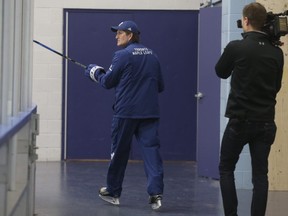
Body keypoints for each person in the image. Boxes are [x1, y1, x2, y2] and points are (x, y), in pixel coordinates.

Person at [84, 20, 164, 210]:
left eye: (120, 33)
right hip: (150, 113)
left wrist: (94, 72)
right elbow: (160, 86)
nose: (116, 36)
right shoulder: (153, 56)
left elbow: (107, 82)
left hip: (126, 113)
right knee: (152, 153)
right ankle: (156, 194)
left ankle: (113, 191)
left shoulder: (122, 55)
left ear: (130, 35)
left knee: (119, 152)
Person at [215, 3, 284, 216]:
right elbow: (277, 86)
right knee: (260, 175)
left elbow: (221, 71)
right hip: (265, 122)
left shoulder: (236, 47)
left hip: (239, 120)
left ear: (245, 20)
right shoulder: (277, 53)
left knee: (226, 169)